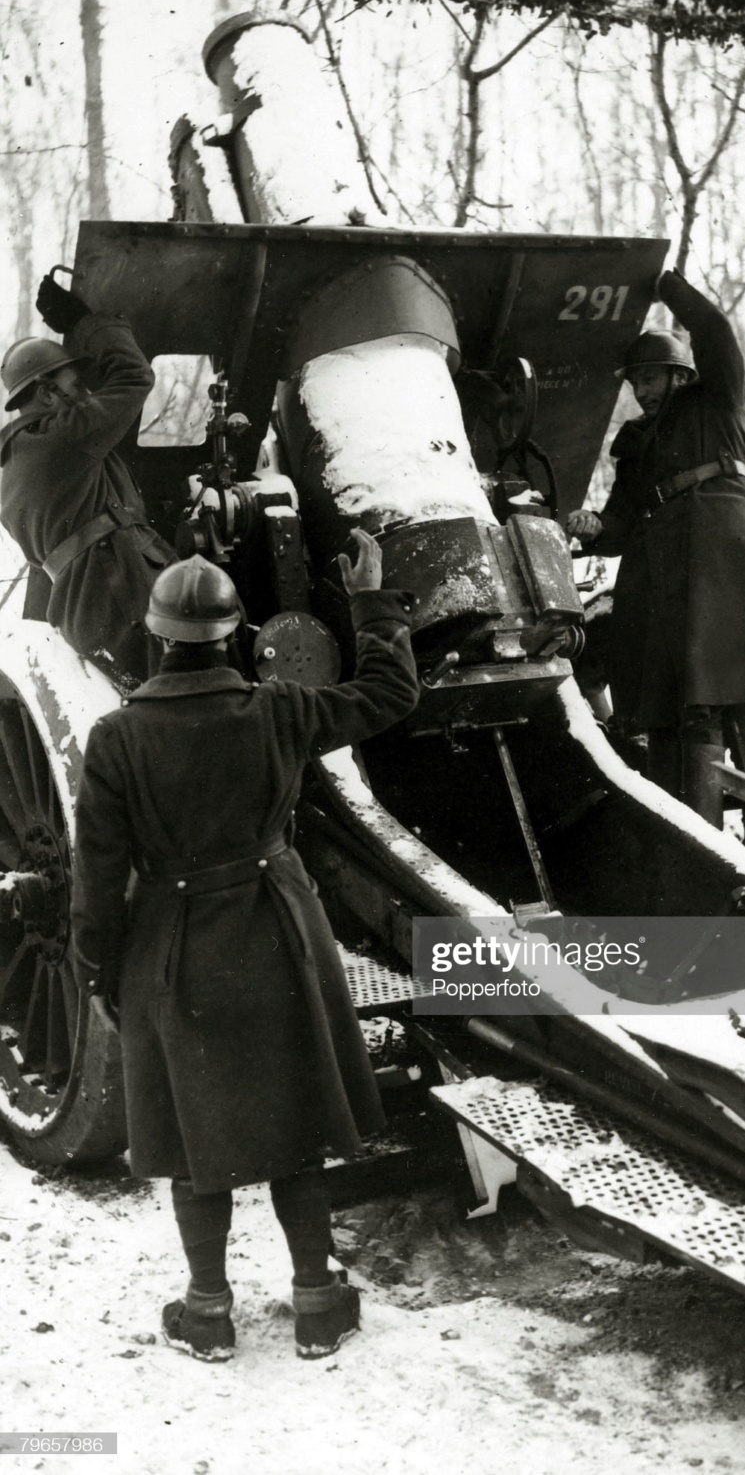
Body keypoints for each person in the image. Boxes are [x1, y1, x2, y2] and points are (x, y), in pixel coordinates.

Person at [69, 534, 419, 1361]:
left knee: (196, 1134)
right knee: (293, 1117)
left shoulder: (115, 739)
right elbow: (390, 692)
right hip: (279, 932)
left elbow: (95, 878)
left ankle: (209, 1311)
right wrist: (369, 599)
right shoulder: (280, 708)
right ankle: (317, 1299)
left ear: (156, 637)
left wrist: (100, 970)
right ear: (234, 637)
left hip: (174, 945)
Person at [567, 267, 745, 825]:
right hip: (656, 568)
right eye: (635, 382)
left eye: (652, 378)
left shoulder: (715, 402)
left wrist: (663, 284)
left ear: (679, 376)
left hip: (713, 553)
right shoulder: (634, 448)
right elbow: (620, 526)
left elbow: (715, 330)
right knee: (665, 709)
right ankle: (679, 837)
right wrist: (594, 527)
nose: (642, 391)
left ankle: (705, 844)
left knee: (704, 700)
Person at [0, 273, 176, 687]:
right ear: (46, 395)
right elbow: (135, 377)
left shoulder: (15, 464)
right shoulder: (62, 438)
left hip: (91, 612)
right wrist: (84, 323)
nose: (85, 395)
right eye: (75, 386)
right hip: (124, 594)